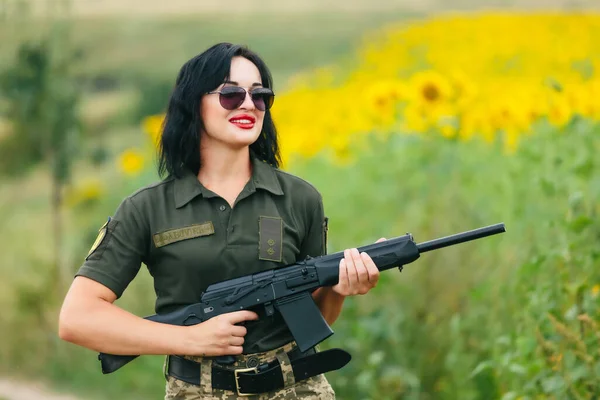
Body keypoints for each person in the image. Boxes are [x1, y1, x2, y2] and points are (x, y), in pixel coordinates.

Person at [58, 42, 384, 399]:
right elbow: (78, 318)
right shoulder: (147, 208)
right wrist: (188, 338)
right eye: (230, 94)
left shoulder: (300, 198)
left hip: (297, 388)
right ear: (193, 104)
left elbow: (312, 316)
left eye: (260, 95)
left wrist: (339, 289)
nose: (248, 104)